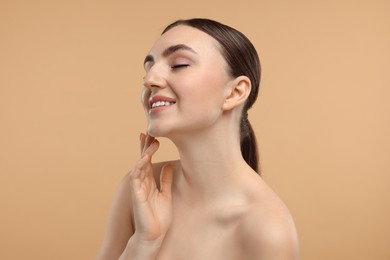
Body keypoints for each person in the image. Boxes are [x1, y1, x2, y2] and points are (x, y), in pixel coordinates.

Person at [96, 18, 299, 260]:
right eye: (148, 68)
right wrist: (144, 242)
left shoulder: (266, 229)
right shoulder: (139, 191)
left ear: (235, 92)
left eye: (179, 64)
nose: (150, 79)